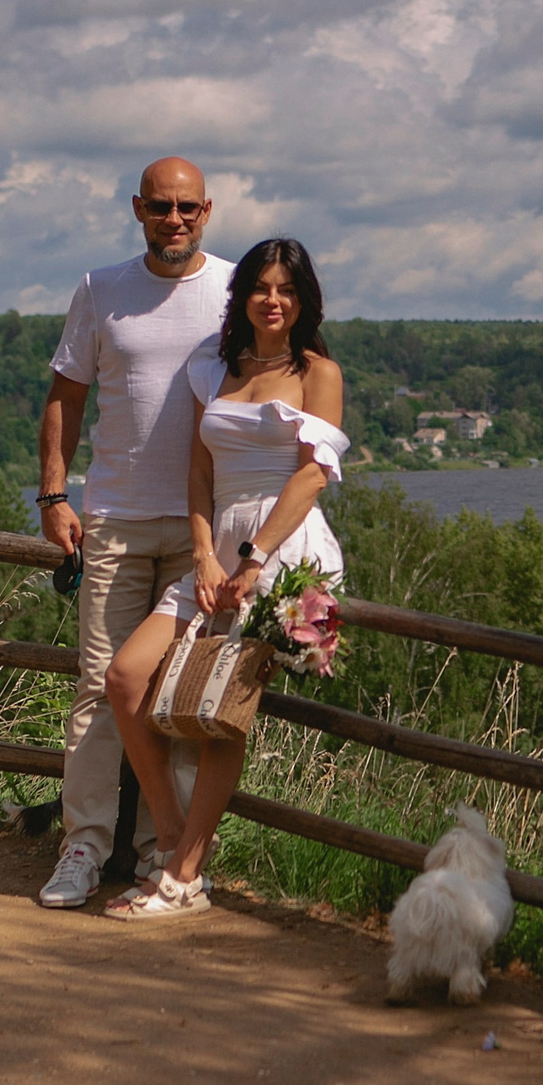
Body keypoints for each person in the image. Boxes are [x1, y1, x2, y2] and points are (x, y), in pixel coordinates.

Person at [100, 238, 348, 918]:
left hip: (283, 549)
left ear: (303, 300)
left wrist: (254, 559)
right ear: (242, 296)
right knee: (126, 676)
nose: (273, 300)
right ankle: (170, 837)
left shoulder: (318, 373)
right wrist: (205, 554)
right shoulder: (214, 369)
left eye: (287, 290)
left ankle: (182, 876)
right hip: (215, 552)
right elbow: (200, 470)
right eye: (262, 287)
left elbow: (311, 475)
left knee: (221, 713)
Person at [35, 158, 235, 910]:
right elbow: (65, 395)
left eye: (185, 207)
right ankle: (83, 846)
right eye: (159, 206)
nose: (172, 220)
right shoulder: (100, 289)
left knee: (179, 694)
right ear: (137, 209)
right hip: (115, 519)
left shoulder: (237, 290)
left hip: (203, 531)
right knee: (99, 687)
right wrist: (54, 494)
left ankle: (164, 855)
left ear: (206, 210)